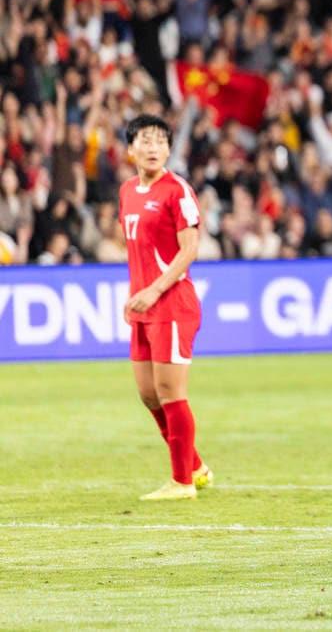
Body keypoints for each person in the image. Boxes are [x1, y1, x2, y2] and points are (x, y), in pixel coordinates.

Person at [118, 114, 213, 501]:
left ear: (170, 149)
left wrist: (154, 290)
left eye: (160, 141)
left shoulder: (178, 191)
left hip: (171, 302)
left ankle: (182, 482)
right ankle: (194, 465)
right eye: (145, 140)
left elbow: (189, 250)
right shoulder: (127, 191)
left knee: (171, 391)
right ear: (131, 149)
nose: (153, 147)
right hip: (143, 304)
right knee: (148, 393)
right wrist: (137, 295)